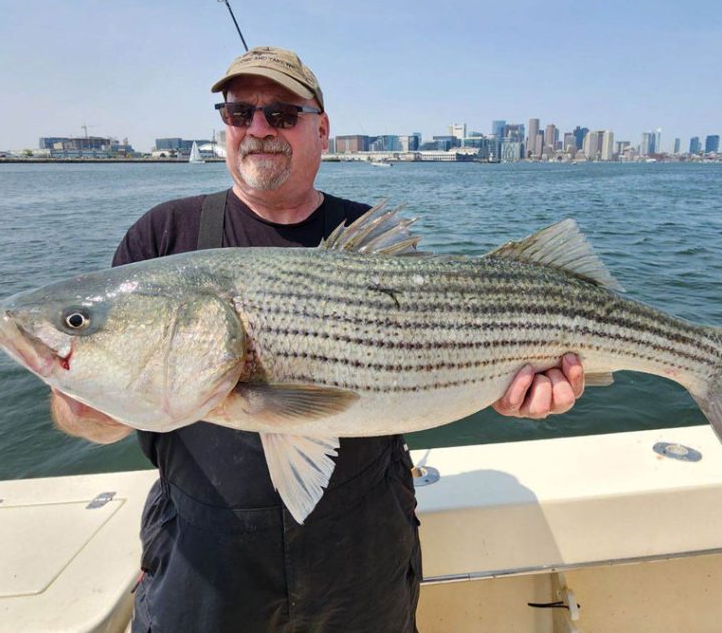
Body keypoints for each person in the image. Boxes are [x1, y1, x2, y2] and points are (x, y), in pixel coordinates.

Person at [50, 46, 586, 632]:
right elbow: (90, 418)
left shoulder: (370, 236)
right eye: (238, 113)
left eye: (280, 114)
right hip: (201, 563)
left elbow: (450, 350)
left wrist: (508, 391)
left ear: (322, 130)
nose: (257, 129)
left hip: (362, 560)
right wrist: (87, 408)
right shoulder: (164, 235)